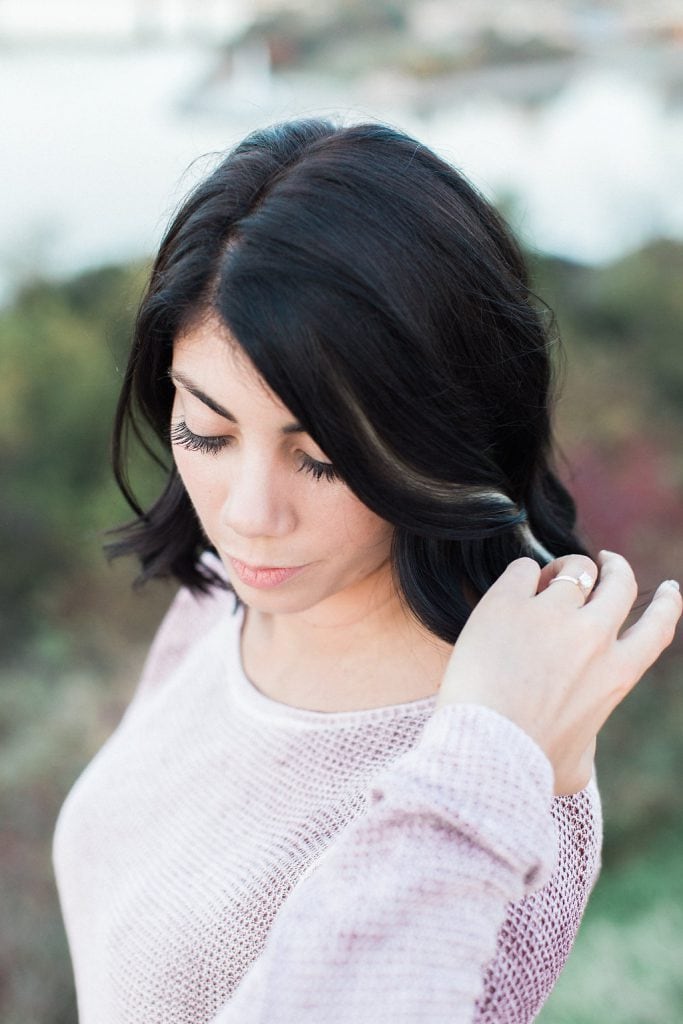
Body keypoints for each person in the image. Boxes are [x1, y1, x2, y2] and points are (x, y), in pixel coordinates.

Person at [53, 119, 681, 1024]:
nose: (246, 515)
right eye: (207, 432)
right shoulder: (226, 591)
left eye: (321, 457)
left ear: (435, 432)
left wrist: (485, 765)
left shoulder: (505, 776)